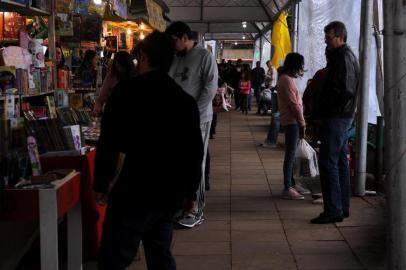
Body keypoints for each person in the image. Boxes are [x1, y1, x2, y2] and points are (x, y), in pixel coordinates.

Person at [93, 31, 204, 270]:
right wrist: (190, 192)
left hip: (133, 190)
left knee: (113, 258)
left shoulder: (124, 93)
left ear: (143, 57)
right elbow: (194, 152)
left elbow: (109, 143)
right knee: (160, 254)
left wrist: (101, 184)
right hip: (168, 191)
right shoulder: (183, 101)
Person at [166, 21, 218, 228]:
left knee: (196, 162)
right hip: (175, 120)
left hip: (199, 119)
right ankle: (181, 203)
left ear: (185, 38)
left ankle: (196, 209)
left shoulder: (204, 56)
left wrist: (193, 113)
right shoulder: (175, 58)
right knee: (178, 162)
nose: (172, 45)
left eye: (174, 41)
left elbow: (210, 88)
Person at [310, 21, 360, 224]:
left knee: (328, 162)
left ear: (340, 36)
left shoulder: (344, 58)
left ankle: (333, 210)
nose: (325, 40)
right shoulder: (340, 57)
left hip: (337, 117)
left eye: (329, 37)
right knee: (338, 162)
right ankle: (341, 208)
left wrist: (326, 108)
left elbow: (345, 91)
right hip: (340, 116)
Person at [277, 53, 311, 200]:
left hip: (291, 121)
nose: (302, 68)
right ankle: (287, 187)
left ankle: (291, 183)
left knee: (291, 154)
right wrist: (302, 123)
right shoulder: (286, 80)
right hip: (292, 122)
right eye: (301, 65)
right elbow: (294, 105)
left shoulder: (286, 78)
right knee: (290, 155)